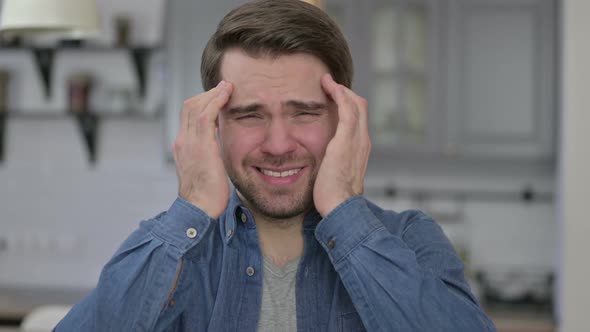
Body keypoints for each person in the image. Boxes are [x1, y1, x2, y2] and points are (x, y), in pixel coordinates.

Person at [56, 0, 496, 331]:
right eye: (250, 115)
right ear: (214, 125)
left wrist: (343, 208)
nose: (279, 144)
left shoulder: (410, 240)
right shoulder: (174, 252)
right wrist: (191, 207)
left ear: (343, 121)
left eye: (304, 112)